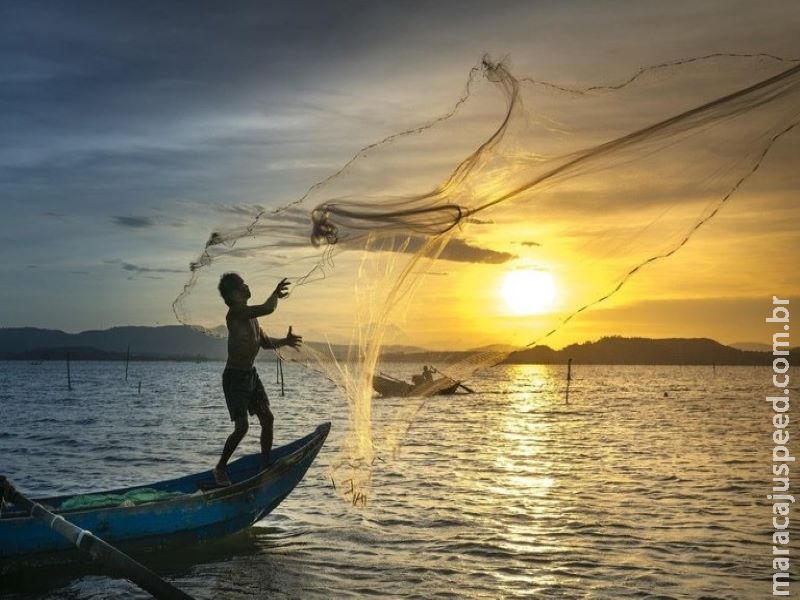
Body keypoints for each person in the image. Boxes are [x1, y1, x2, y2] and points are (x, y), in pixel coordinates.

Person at [212, 273, 302, 486]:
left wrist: (285, 341)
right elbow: (268, 308)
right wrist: (275, 294)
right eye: (243, 283)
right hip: (235, 378)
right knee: (242, 427)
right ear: (234, 293)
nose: (247, 285)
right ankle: (220, 468)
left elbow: (265, 343)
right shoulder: (235, 313)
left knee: (267, 419)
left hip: (250, 375)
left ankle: (264, 466)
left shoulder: (252, 317)